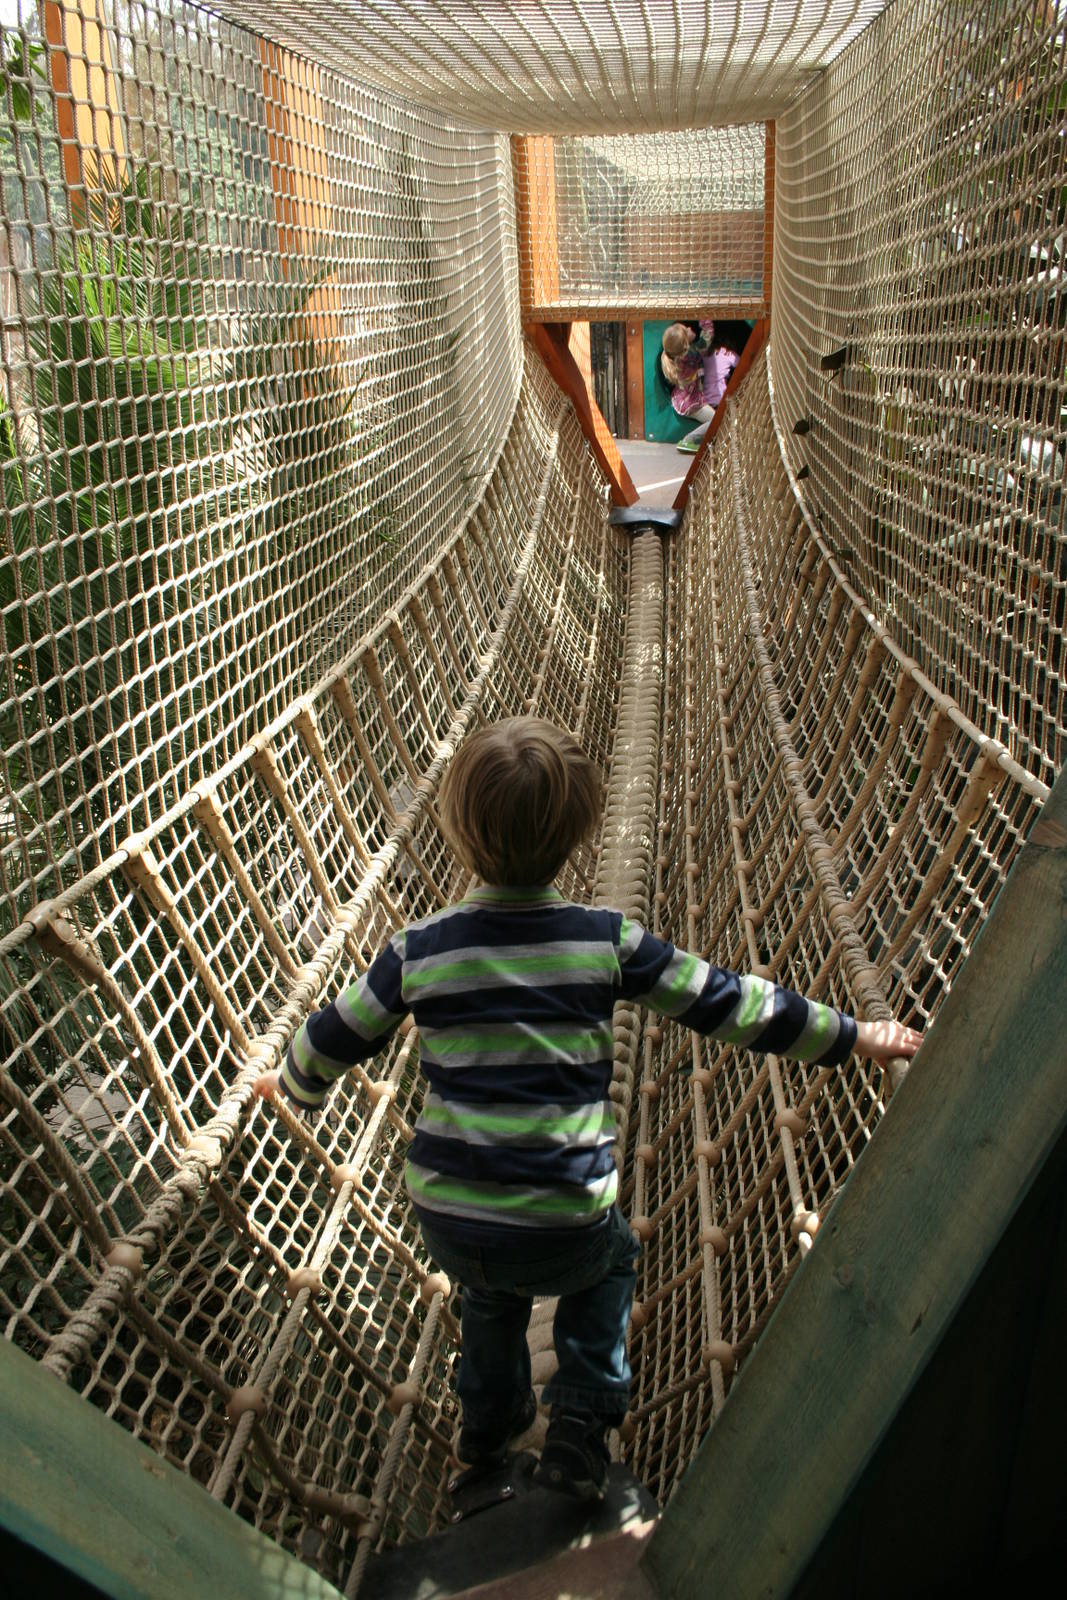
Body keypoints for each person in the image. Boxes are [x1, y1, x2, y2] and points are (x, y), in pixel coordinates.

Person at [254, 718, 921, 1502]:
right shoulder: (604, 941)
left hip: (450, 1220)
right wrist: (849, 1036)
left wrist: (288, 1087)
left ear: (458, 830)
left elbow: (332, 1037)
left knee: (487, 1300)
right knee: (612, 1261)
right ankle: (579, 1420)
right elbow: (731, 1004)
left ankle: (484, 1447)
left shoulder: (418, 949)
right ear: (576, 837)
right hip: (567, 1218)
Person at [661, 320, 716, 447]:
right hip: (692, 404)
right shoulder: (690, 355)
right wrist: (705, 319)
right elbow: (706, 340)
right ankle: (689, 440)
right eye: (687, 330)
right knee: (716, 420)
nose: (690, 328)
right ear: (685, 344)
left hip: (681, 398)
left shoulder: (675, 354)